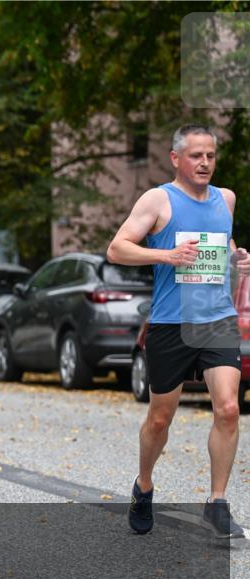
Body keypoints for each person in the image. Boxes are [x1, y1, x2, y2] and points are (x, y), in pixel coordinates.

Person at [107, 124, 249, 540]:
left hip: (217, 319)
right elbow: (117, 248)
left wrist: (237, 258)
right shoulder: (158, 200)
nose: (205, 163)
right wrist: (166, 255)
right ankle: (144, 485)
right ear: (175, 158)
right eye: (195, 156)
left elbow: (221, 243)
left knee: (228, 408)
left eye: (210, 156)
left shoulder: (226, 199)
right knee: (160, 418)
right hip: (171, 323)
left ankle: (217, 503)